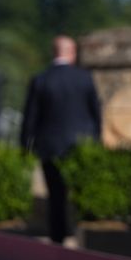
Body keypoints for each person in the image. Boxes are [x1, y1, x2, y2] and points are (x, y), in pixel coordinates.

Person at [20, 35, 101, 244]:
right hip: (81, 145)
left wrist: (24, 147)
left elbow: (30, 118)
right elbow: (96, 113)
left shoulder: (41, 79)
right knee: (79, 192)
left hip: (50, 145)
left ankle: (59, 236)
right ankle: (78, 231)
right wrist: (96, 142)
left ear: (53, 52)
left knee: (56, 195)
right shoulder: (85, 78)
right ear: (72, 53)